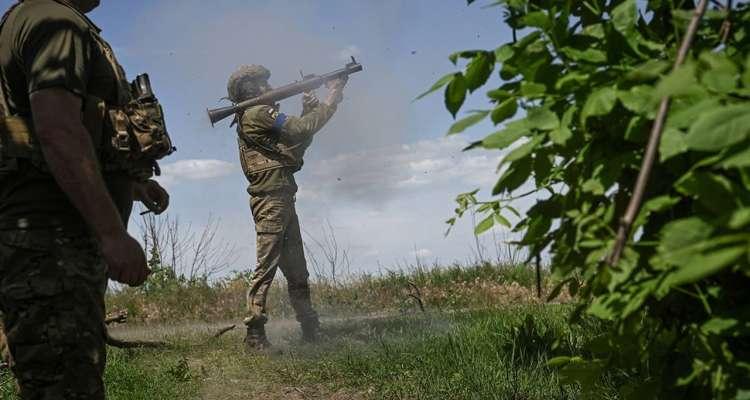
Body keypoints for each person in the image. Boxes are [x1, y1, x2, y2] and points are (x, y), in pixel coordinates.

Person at [0, 0, 172, 398]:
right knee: (66, 386)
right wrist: (112, 234)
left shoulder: (31, 18)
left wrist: (133, 184)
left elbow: (46, 134)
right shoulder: (55, 21)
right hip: (53, 239)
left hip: (43, 237)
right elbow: (58, 129)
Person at [226, 64, 346, 351]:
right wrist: (333, 94)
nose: (270, 88)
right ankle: (254, 333)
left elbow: (295, 142)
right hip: (271, 199)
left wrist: (309, 108)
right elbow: (301, 129)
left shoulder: (257, 115)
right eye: (264, 84)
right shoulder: (257, 113)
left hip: (280, 197)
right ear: (253, 90)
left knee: (297, 270)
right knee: (266, 266)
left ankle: (310, 328)